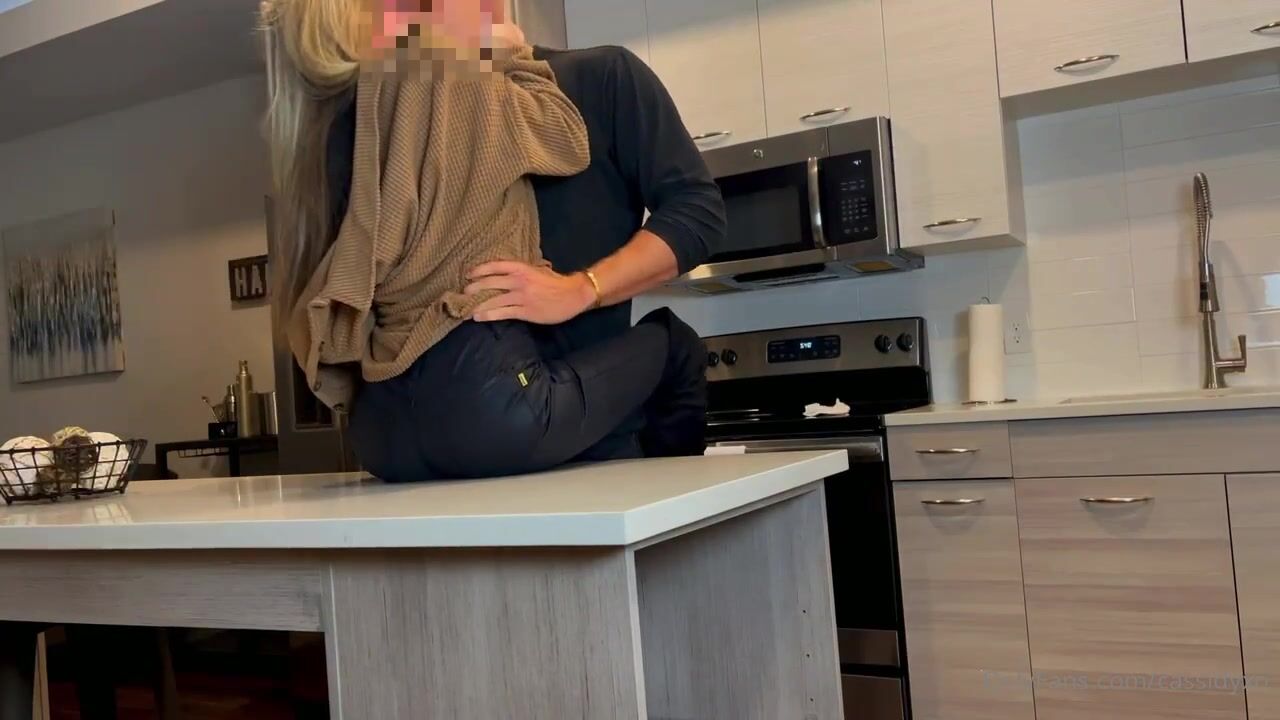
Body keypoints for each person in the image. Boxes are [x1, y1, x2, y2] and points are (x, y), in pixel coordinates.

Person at [265, 0, 725, 482]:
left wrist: (582, 289)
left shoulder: (602, 76)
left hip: (562, 441)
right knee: (676, 347)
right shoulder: (382, 110)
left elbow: (698, 213)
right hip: (488, 418)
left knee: (675, 352)